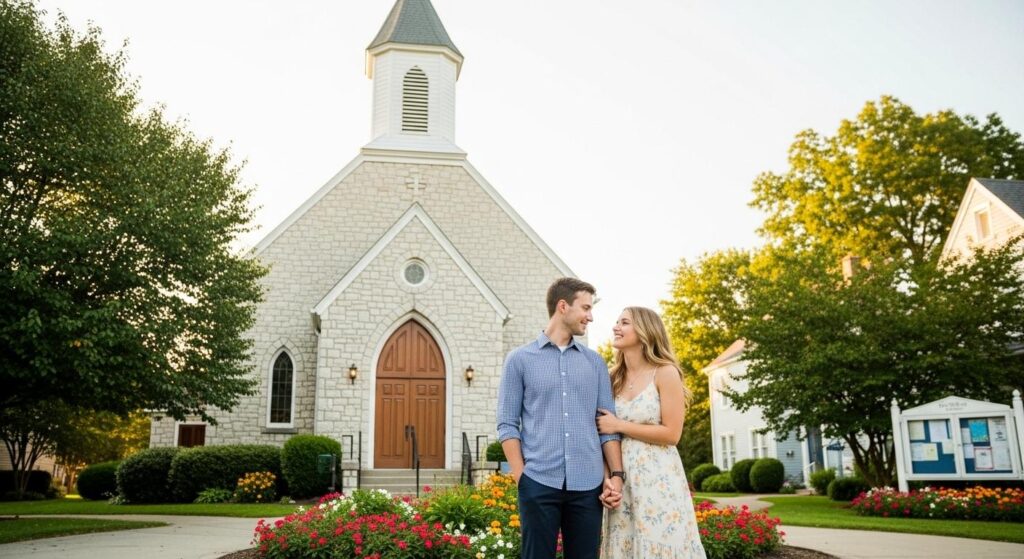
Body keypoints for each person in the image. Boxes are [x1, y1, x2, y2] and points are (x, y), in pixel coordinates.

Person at [497, 277, 625, 559]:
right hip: (538, 482)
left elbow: (607, 426)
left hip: (588, 485)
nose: (590, 317)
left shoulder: (594, 363)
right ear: (563, 306)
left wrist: (615, 476)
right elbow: (507, 424)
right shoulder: (519, 359)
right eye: (586, 308)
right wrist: (522, 478)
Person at [597, 306, 707, 558]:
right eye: (616, 321)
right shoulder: (610, 378)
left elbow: (672, 433)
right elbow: (604, 434)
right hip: (620, 479)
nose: (616, 327)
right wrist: (608, 479)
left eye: (624, 322)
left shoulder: (665, 372)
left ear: (645, 331)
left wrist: (620, 425)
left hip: (659, 479)